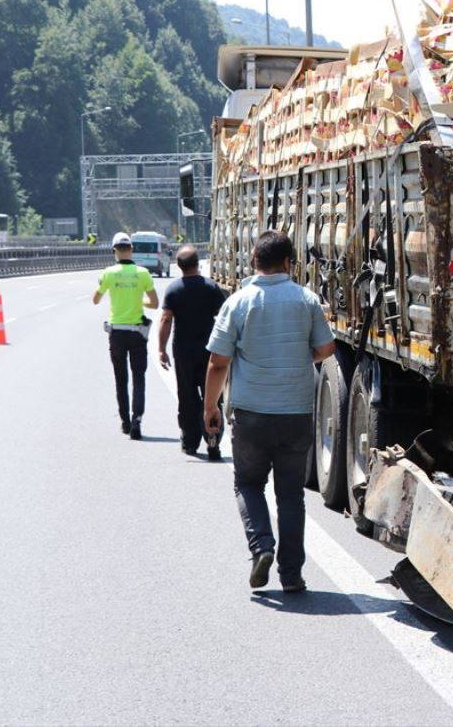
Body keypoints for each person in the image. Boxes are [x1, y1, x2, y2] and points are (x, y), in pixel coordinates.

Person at [204, 230, 335, 592]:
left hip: (251, 414)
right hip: (295, 413)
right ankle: (291, 575)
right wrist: (299, 357)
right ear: (289, 263)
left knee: (248, 483)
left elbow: (218, 363)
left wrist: (210, 407)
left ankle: (262, 546)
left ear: (253, 262)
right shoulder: (306, 300)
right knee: (291, 495)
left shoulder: (239, 302)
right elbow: (326, 348)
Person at [158, 245, 226, 459]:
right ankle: (213, 437)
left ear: (178, 266)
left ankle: (189, 441)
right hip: (209, 351)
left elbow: (166, 319)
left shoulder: (173, 290)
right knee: (212, 397)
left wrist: (161, 349)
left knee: (187, 397)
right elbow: (223, 318)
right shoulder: (212, 287)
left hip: (184, 352)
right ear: (198, 263)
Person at [92, 231, 158, 439]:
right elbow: (154, 303)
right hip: (137, 332)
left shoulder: (108, 273)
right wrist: (139, 302)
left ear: (114, 251)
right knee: (139, 378)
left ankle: (125, 422)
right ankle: (137, 418)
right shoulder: (143, 273)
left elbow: (95, 299)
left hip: (117, 333)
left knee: (121, 379)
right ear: (131, 249)